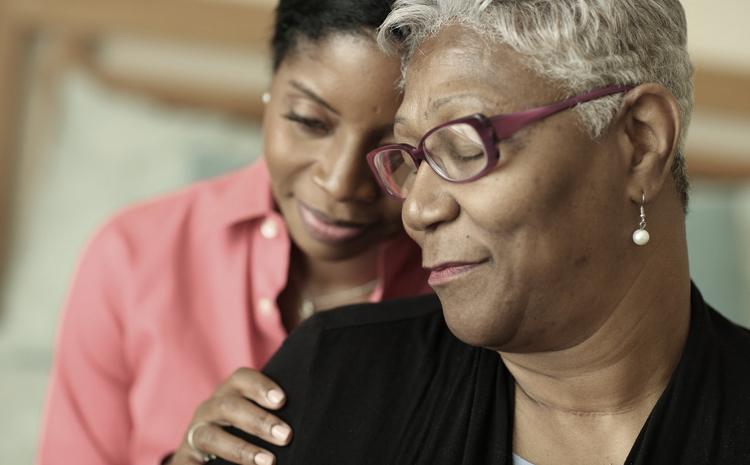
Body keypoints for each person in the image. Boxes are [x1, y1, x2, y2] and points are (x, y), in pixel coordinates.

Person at [208, 0, 750, 464]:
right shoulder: (330, 380)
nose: (417, 210)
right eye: (411, 159)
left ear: (640, 142)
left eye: (466, 148)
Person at [35, 1, 433, 464]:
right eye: (308, 121)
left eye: (398, 150)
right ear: (270, 92)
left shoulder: (461, 295)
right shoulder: (130, 257)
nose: (340, 183)